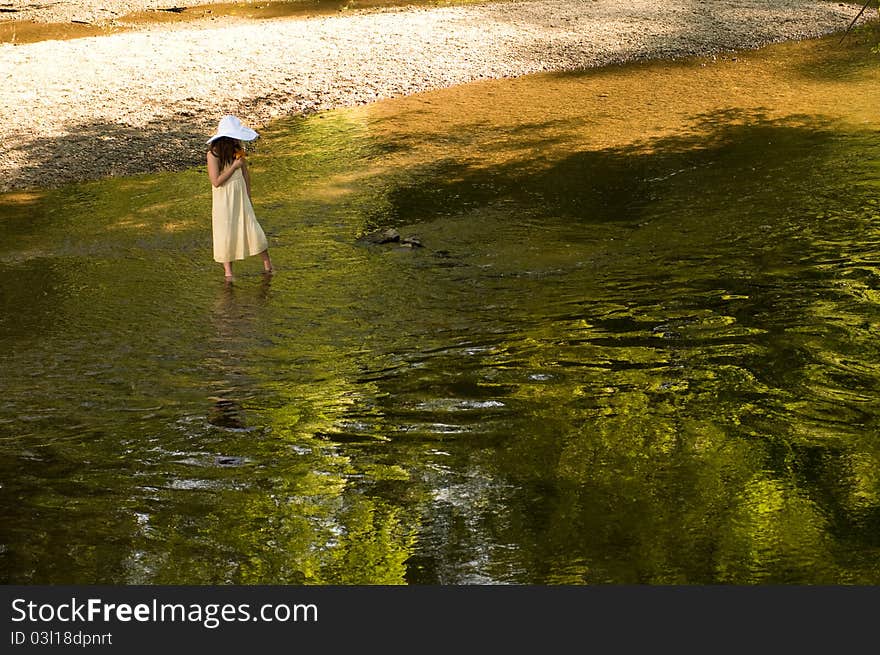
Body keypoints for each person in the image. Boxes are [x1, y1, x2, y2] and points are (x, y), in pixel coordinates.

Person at [206, 115, 273, 281]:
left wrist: (249, 196)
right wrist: (234, 166)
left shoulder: (238, 150)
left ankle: (268, 265)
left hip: (240, 196)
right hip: (224, 199)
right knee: (225, 231)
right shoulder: (213, 154)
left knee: (252, 227)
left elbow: (245, 174)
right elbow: (216, 182)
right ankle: (228, 273)